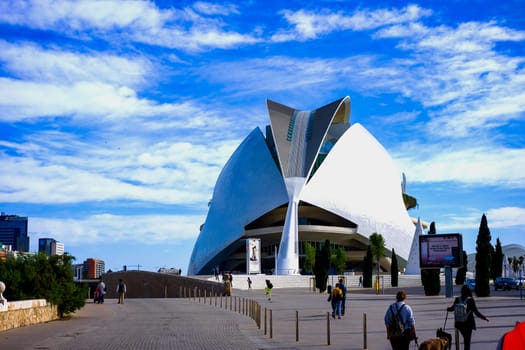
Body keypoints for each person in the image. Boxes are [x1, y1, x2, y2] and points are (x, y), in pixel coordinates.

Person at [446, 285, 489, 350]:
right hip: (468, 324)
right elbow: (476, 312)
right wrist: (484, 318)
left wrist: (448, 309)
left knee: (464, 339)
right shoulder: (470, 300)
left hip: (459, 324)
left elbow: (452, 309)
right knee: (467, 342)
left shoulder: (457, 299)